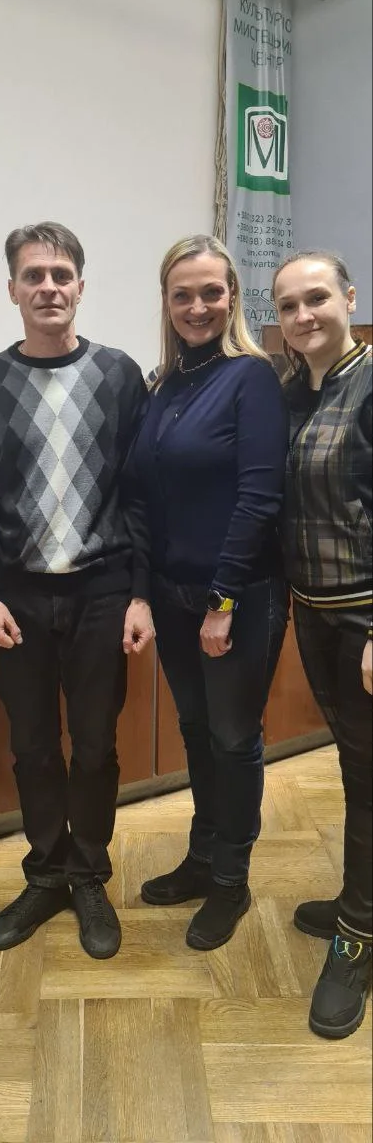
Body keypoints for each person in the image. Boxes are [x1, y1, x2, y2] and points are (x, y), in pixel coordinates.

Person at [0, 221, 154, 960]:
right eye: (33, 275)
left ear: (80, 286)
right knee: (33, 746)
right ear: (12, 289)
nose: (48, 287)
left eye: (60, 275)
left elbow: (140, 494)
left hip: (103, 591)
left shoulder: (118, 374)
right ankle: (46, 873)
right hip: (16, 597)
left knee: (96, 746)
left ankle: (89, 873)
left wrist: (139, 593)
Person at [130, 234, 289, 950]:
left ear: (232, 298)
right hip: (172, 596)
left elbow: (258, 498)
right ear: (166, 302)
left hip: (238, 597)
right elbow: (142, 496)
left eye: (211, 292)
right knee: (197, 732)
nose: (197, 307)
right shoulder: (161, 385)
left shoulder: (251, 377)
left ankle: (231, 879)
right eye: (182, 294)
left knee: (232, 738)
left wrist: (221, 602)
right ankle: (202, 856)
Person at [273, 250, 372, 1039]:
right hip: (312, 613)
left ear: (348, 298)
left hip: (363, 619)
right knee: (354, 765)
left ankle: (356, 938)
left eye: (316, 298)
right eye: (286, 305)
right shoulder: (291, 393)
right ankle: (360, 899)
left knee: (367, 777)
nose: (302, 315)